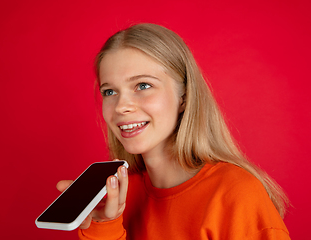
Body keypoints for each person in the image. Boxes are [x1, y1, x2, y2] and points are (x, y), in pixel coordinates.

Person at [57, 23, 290, 239]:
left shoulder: (236, 194)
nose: (121, 106)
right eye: (109, 92)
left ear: (184, 98)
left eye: (143, 85)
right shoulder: (116, 198)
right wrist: (105, 227)